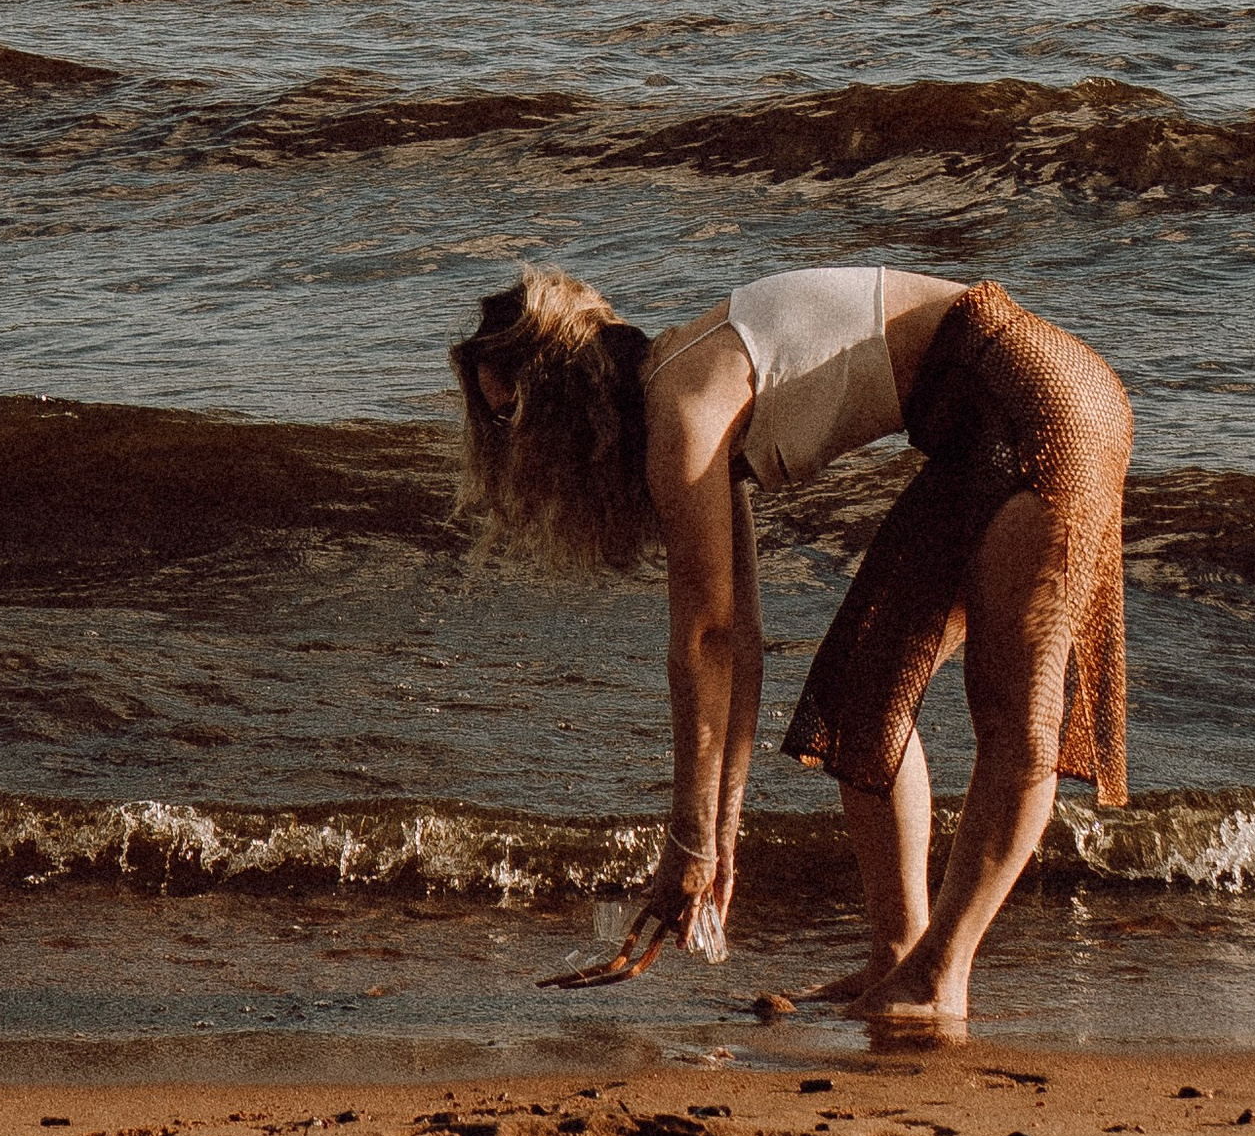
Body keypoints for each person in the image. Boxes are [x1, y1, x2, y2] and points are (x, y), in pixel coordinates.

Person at [449, 261, 1132, 1024]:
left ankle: (940, 977)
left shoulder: (683, 405)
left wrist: (686, 842)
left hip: (1041, 402)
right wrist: (718, 834)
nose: (520, 449)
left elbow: (703, 638)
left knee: (1015, 715)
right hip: (980, 421)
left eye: (518, 419)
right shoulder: (686, 392)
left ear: (570, 396)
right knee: (860, 698)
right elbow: (738, 642)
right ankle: (897, 957)